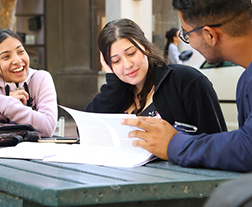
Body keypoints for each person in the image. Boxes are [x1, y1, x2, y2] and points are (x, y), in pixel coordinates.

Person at [121, 0, 252, 172]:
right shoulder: (246, 78)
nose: (188, 41)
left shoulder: (187, 80)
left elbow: (247, 148)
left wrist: (173, 144)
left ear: (210, 35)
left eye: (187, 34)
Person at [85, 18, 226, 136]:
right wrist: (113, 85)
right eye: (116, 61)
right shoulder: (116, 95)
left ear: (145, 47)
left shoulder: (185, 81)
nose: (127, 65)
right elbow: (86, 132)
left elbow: (216, 143)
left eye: (131, 53)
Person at [0, 29, 57, 137]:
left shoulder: (41, 79)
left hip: (37, 152)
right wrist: (2, 111)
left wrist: (0, 102)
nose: (18, 61)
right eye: (6, 57)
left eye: (21, 52)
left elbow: (47, 128)